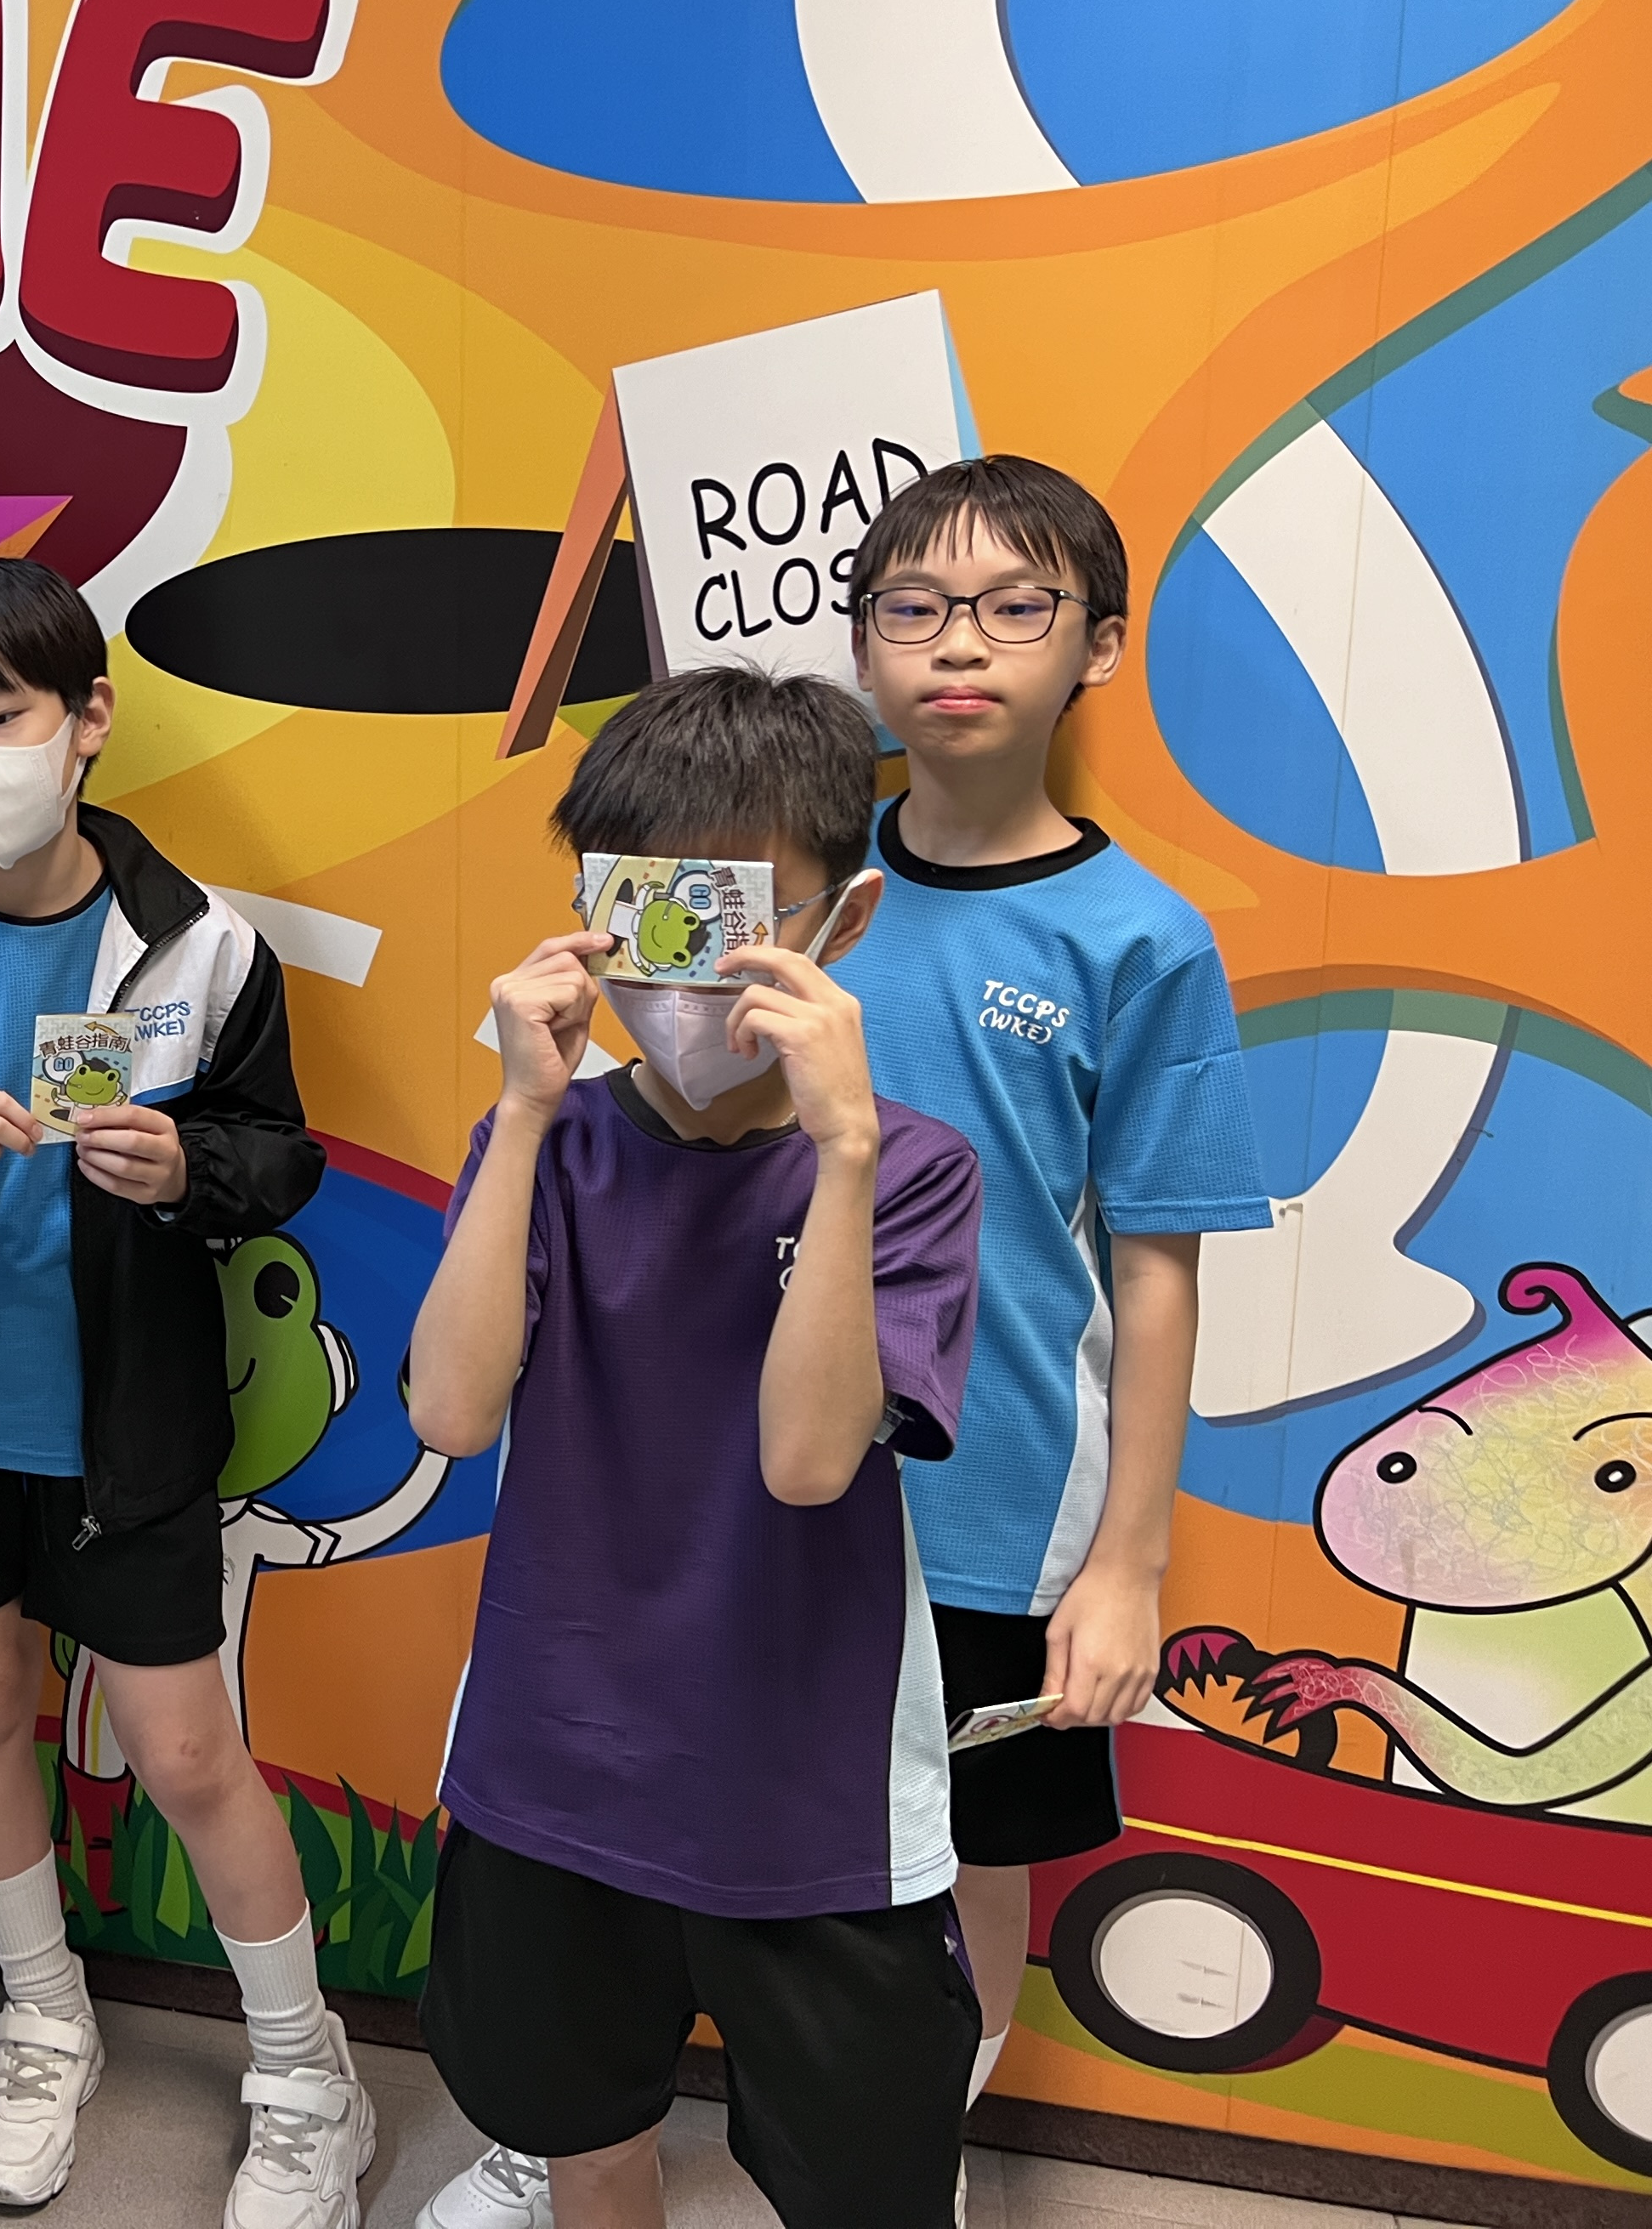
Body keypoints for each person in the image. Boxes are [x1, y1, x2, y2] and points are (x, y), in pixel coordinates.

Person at [0, 557, 360, 2229]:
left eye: (3, 716)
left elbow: (279, 1152)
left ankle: (305, 2069)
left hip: (130, 1429)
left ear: (87, 716)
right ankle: (45, 2019)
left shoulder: (202, 944)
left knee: (187, 1751)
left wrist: (192, 1168)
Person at [406, 665, 983, 2229]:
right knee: (580, 2132)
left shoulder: (912, 1173)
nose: (677, 973)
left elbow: (808, 1461)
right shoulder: (547, 1144)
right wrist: (526, 1115)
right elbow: (449, 1414)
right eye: (635, 913)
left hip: (812, 1790)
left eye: (723, 918)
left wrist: (844, 1150)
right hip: (556, 1760)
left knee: (864, 2182)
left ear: (839, 924)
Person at [844, 457, 1269, 2118]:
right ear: (864, 646)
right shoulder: (795, 883)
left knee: (975, 1853)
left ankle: (920, 2150)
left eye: (1015, 606)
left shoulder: (1139, 941)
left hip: (997, 1503)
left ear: (1097, 645)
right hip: (764, 1473)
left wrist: (1127, 1568)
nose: (960, 643)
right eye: (915, 607)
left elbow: (1157, 1278)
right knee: (725, 1795)